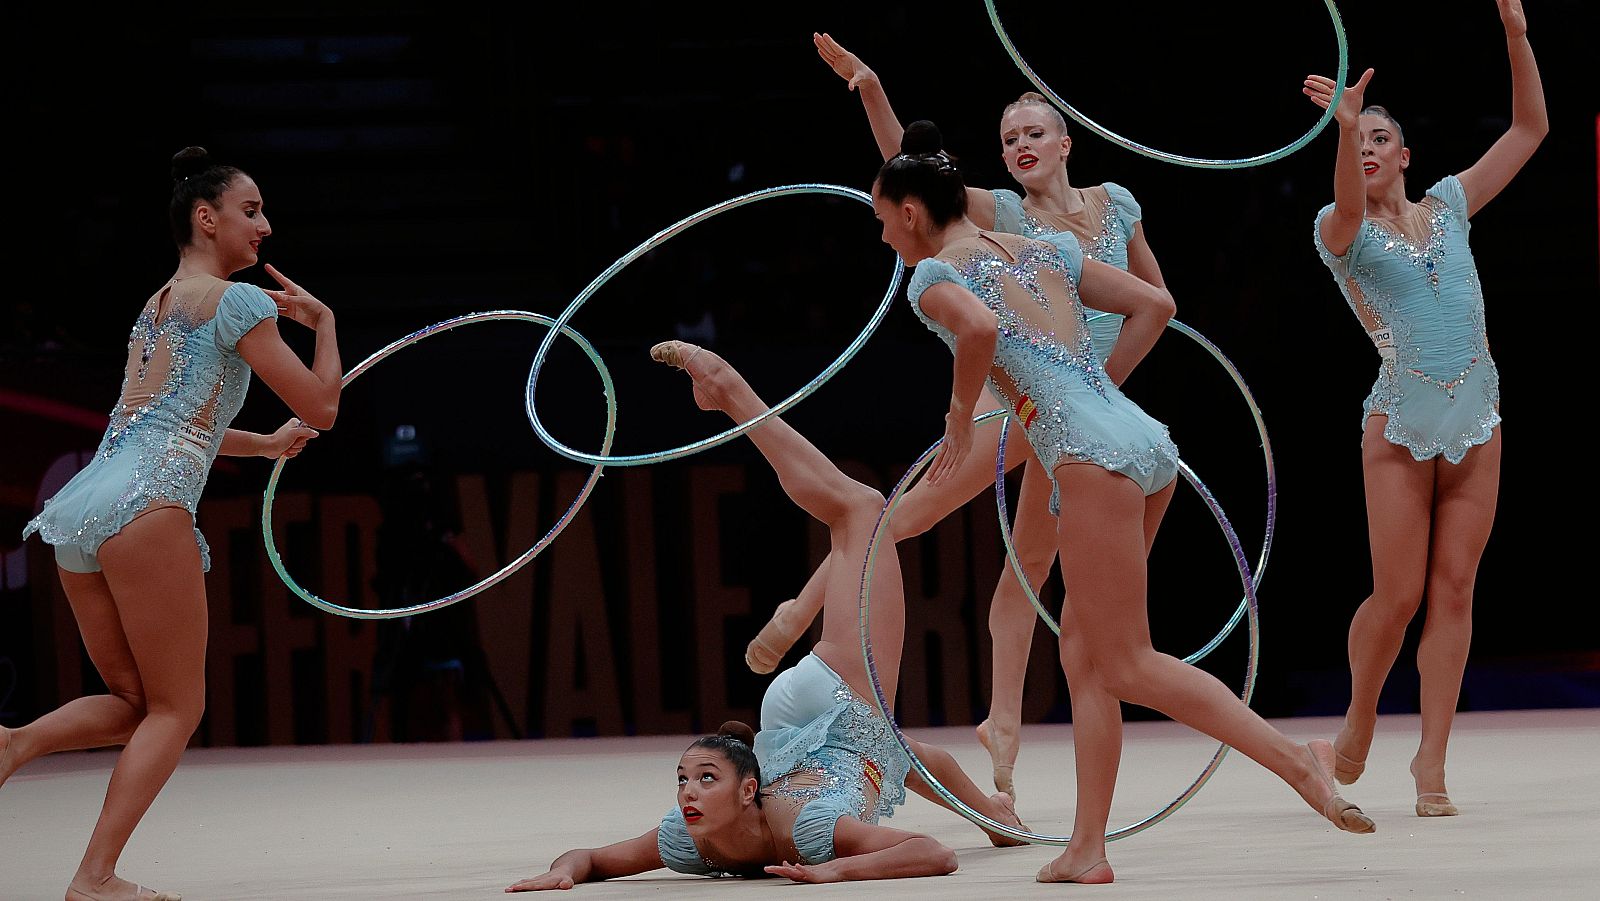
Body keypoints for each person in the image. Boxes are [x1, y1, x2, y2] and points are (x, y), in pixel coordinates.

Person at [876, 121, 1374, 884]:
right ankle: (1088, 848)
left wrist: (956, 415)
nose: (884, 237)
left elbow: (976, 327)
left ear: (911, 211)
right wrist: (1095, 386)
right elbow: (1156, 304)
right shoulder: (1044, 248)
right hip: (1143, 443)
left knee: (1127, 661)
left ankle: (1296, 760)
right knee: (1085, 657)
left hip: (1088, 456)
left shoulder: (932, 275)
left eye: (883, 220)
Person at [741, 34, 1180, 801]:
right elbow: (912, 188)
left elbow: (1158, 303)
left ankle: (1001, 725)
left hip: (1082, 417)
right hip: (1015, 398)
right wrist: (875, 91)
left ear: (1066, 140)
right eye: (1008, 138)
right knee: (913, 511)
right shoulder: (999, 210)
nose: (1019, 145)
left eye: (1033, 132)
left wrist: (1099, 390)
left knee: (1033, 566)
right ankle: (798, 606)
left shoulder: (1118, 204)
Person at [505, 343, 1024, 891]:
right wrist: (991, 818)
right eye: (685, 780)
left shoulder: (762, 830)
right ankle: (734, 401)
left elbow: (932, 845)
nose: (688, 794)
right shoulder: (713, 833)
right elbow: (927, 810)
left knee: (861, 510)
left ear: (748, 788)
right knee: (861, 515)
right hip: (823, 721)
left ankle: (732, 393)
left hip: (829, 715)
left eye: (704, 779)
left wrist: (836, 867)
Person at [4, 146, 343, 901]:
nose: (264, 226)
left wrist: (260, 444)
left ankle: (13, 741)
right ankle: (94, 875)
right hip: (148, 507)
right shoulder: (239, 302)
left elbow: (160, 420)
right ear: (205, 216)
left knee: (133, 704)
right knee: (177, 707)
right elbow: (323, 406)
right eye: (250, 211)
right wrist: (324, 324)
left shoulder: (155, 303)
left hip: (85, 507)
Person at [1303, 0, 1546, 818]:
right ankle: (1362, 712)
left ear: (1405, 154)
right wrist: (1340, 131)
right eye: (1357, 140)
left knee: (1455, 589)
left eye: (1378, 138)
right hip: (1399, 423)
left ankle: (1432, 760)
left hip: (1479, 415)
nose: (1367, 148)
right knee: (1398, 592)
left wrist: (1515, 34)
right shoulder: (1340, 230)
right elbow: (1342, 200)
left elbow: (1528, 131)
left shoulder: (1448, 205)